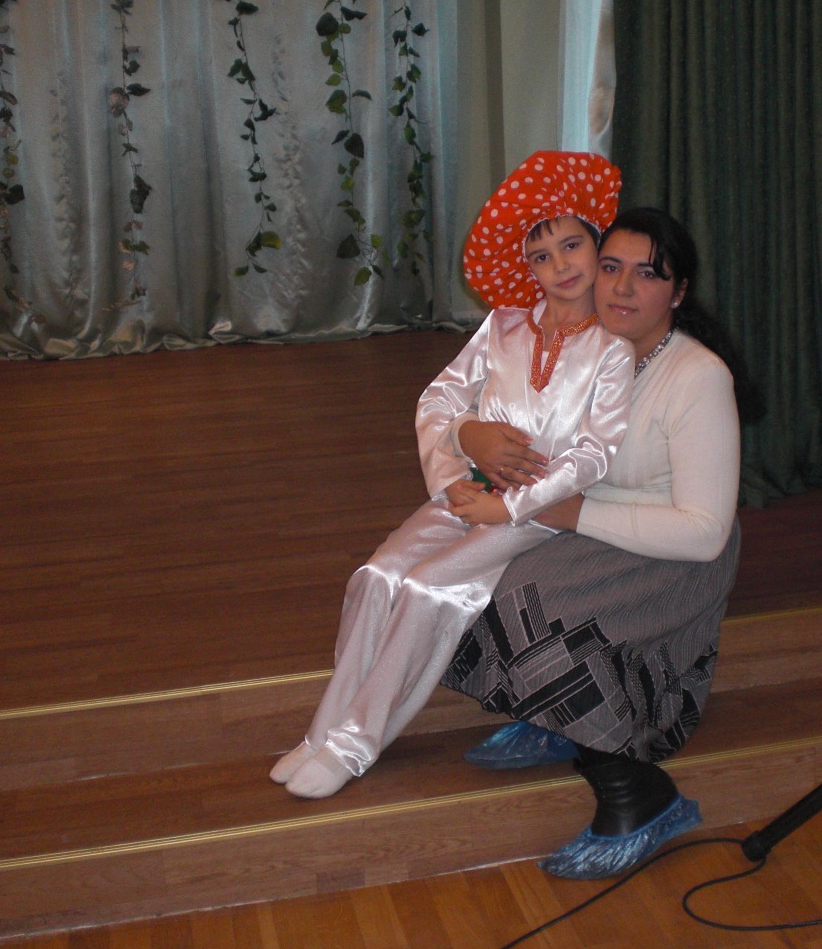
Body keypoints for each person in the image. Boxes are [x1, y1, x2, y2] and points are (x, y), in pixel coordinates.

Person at [270, 151, 633, 799]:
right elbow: (439, 399)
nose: (560, 265)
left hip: (539, 513)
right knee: (377, 575)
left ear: (597, 243)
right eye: (541, 256)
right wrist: (459, 456)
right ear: (526, 269)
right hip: (469, 490)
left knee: (429, 586)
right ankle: (324, 730)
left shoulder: (612, 349)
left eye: (572, 245)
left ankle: (354, 746)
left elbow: (595, 454)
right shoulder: (504, 325)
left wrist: (511, 508)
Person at [442, 207, 753, 879]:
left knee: (536, 612)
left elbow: (704, 531)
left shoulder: (697, 376)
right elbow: (480, 403)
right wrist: (474, 438)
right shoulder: (584, 346)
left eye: (648, 274)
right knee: (461, 574)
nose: (622, 287)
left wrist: (565, 513)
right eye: (611, 267)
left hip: (670, 551)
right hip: (585, 522)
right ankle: (552, 716)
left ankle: (638, 796)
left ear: (679, 291)